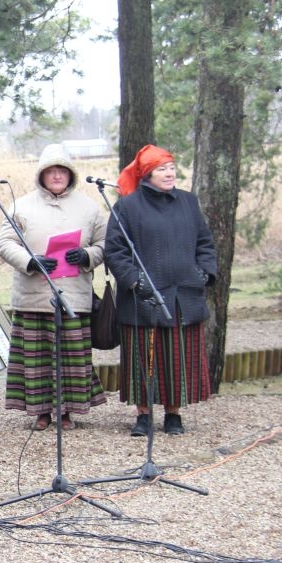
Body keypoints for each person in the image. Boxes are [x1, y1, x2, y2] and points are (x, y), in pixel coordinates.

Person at [104, 144, 218, 436]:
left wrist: (203, 272)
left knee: (177, 358)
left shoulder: (188, 202)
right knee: (144, 356)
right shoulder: (127, 206)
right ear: (147, 174)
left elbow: (205, 242)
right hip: (144, 296)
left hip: (184, 294)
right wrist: (134, 280)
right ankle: (143, 415)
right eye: (162, 169)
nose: (169, 174)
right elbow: (115, 251)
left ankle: (173, 414)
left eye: (171, 168)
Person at [0, 144, 107, 431]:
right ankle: (41, 412)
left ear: (70, 174)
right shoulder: (20, 205)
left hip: (73, 294)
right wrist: (31, 261)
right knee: (38, 360)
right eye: (51, 171)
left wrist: (87, 256)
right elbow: (5, 243)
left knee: (70, 357)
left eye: (62, 170)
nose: (57, 176)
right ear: (42, 175)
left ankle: (67, 411)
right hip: (34, 295)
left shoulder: (90, 207)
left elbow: (105, 244)